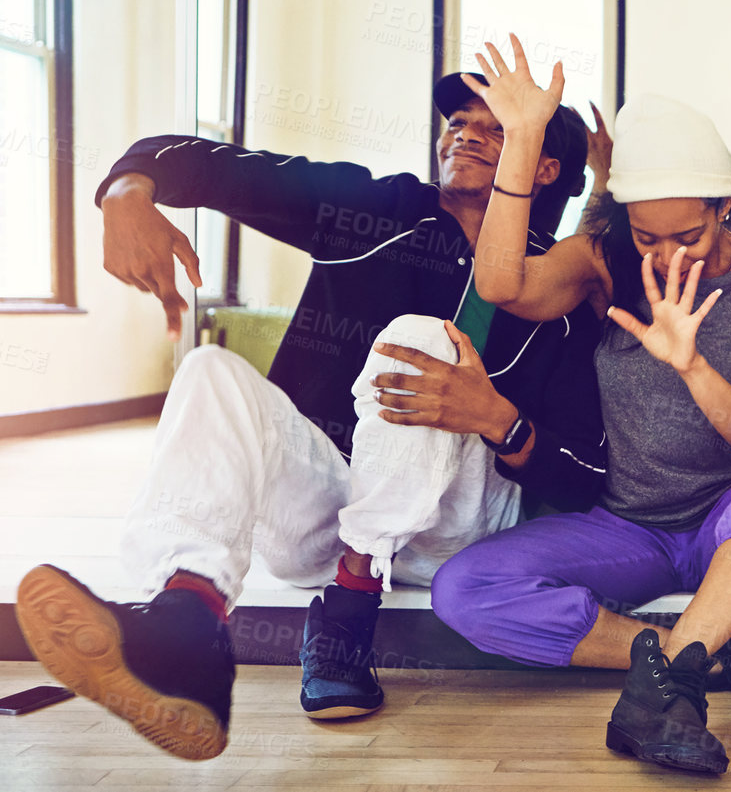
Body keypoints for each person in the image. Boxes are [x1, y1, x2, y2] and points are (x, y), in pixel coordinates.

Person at [16, 78, 608, 761]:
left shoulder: (560, 282)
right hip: (326, 515)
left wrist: (498, 419)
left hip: (455, 530)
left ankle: (349, 616)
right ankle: (187, 623)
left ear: (543, 165)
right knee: (211, 370)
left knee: (426, 339)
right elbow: (214, 165)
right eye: (457, 121)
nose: (463, 133)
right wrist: (126, 189)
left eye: (494, 126)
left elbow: (581, 479)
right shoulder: (378, 207)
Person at [429, 41, 731, 776]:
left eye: (687, 236)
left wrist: (690, 364)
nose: (665, 257)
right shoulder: (602, 258)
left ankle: (678, 666)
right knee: (464, 588)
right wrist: (522, 137)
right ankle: (695, 654)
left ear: (724, 207)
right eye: (647, 237)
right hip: (631, 529)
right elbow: (500, 285)